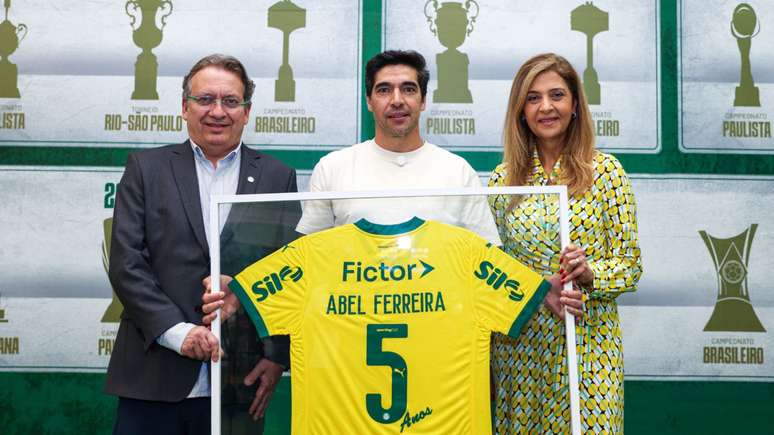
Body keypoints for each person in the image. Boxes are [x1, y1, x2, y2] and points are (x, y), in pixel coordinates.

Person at [105, 53, 298, 435]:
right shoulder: (146, 169)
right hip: (153, 377)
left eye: (231, 101)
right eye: (205, 99)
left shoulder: (279, 176)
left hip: (240, 384)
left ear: (246, 111)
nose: (218, 111)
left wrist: (277, 357)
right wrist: (179, 333)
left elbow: (288, 271)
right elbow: (127, 264)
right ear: (184, 107)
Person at [488, 53, 642, 433]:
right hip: (521, 346)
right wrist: (535, 289)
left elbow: (630, 265)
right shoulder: (502, 182)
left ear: (575, 105)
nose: (546, 107)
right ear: (520, 110)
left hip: (589, 340)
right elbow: (490, 266)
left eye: (556, 95)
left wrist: (589, 274)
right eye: (533, 98)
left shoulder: (606, 173)